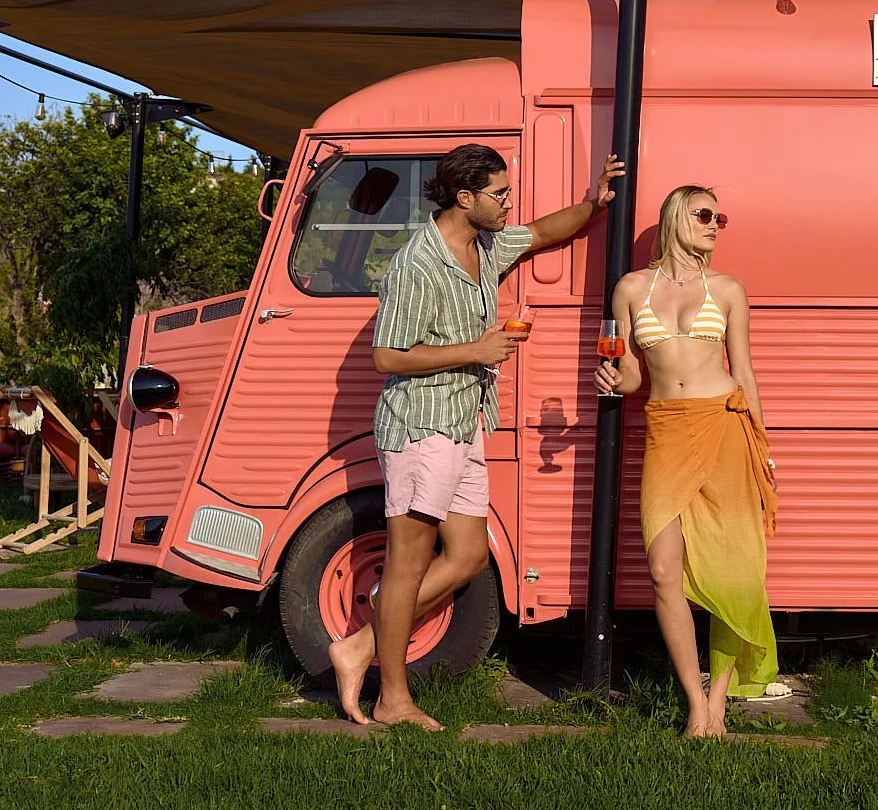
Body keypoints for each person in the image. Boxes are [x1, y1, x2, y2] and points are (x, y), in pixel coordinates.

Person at [332, 142, 623, 728]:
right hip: (420, 428)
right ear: (464, 198)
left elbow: (542, 232)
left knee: (465, 556)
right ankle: (391, 699)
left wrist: (592, 203)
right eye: (499, 194)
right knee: (408, 566)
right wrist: (479, 350)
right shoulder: (417, 263)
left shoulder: (486, 244)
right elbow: (387, 357)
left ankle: (358, 647)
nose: (508, 203)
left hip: (463, 423)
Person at [595, 185, 780, 738]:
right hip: (667, 430)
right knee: (662, 572)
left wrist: (763, 447)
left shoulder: (727, 289)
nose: (715, 224)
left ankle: (715, 708)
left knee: (732, 565)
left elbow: (744, 371)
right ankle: (693, 700)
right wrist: (612, 378)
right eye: (705, 214)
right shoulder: (629, 289)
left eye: (720, 217)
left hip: (725, 424)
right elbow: (631, 373)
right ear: (675, 216)